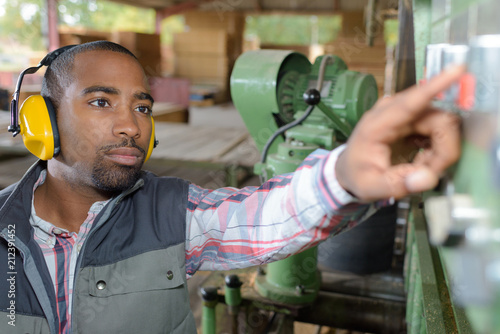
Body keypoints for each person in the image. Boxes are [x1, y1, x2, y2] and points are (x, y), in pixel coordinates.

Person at [0, 41, 462, 334]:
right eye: (101, 101)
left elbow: (264, 217)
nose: (131, 127)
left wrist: (343, 177)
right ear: (43, 121)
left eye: (143, 108)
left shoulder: (171, 213)